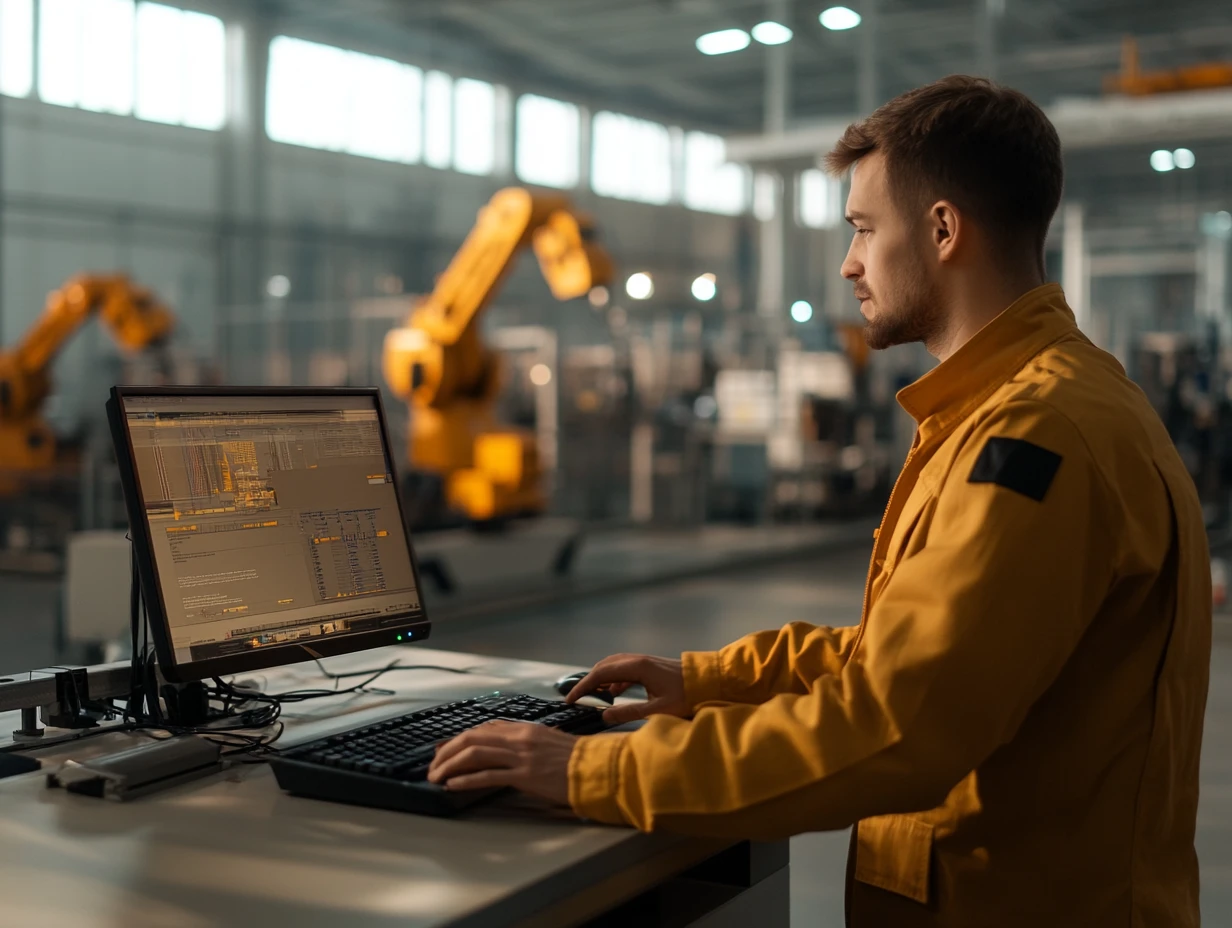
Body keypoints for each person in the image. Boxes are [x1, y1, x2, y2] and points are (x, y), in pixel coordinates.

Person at [427, 75, 1210, 927]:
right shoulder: (1019, 407)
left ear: (944, 230)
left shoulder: (1037, 437)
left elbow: (897, 723)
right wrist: (707, 679)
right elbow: (923, 653)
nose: (849, 263)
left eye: (865, 229)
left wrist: (589, 772)